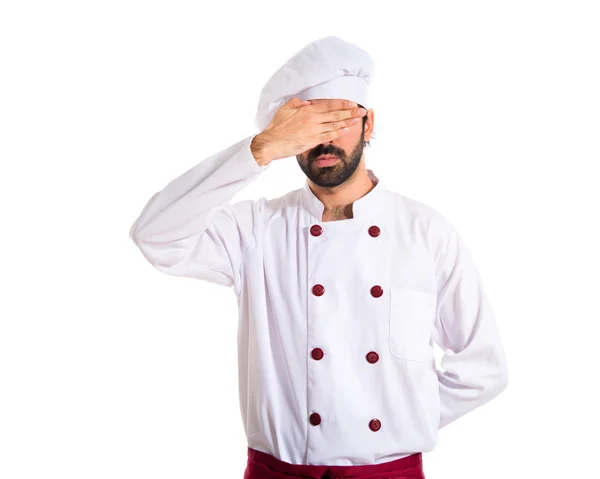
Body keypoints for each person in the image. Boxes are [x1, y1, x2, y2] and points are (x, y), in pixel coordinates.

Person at [129, 36, 508, 479]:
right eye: (308, 125)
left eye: (340, 118)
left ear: (369, 125)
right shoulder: (256, 229)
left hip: (389, 473)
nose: (325, 137)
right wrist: (259, 150)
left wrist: (401, 421)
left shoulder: (425, 232)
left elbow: (484, 367)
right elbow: (154, 235)